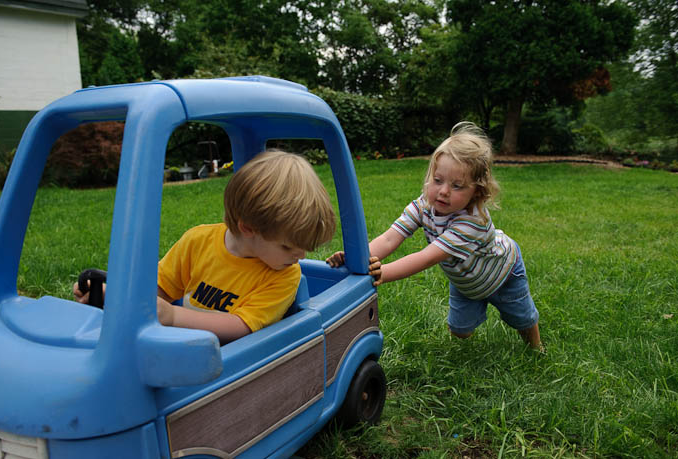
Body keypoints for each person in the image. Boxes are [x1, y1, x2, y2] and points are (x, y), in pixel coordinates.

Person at [75, 149, 336, 343]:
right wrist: (113, 295)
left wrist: (174, 317)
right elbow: (158, 290)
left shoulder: (284, 275)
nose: (300, 256)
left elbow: (241, 326)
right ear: (248, 228)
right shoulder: (197, 241)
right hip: (176, 347)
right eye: (288, 247)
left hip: (231, 365)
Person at [327, 122, 543, 350]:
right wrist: (357, 258)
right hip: (466, 282)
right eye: (438, 180)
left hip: (503, 274)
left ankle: (536, 347)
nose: (443, 191)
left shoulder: (472, 221)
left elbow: (426, 257)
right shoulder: (423, 205)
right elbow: (390, 238)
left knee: (522, 317)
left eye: (457, 186)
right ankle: (465, 349)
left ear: (476, 192)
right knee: (460, 329)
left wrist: (382, 273)